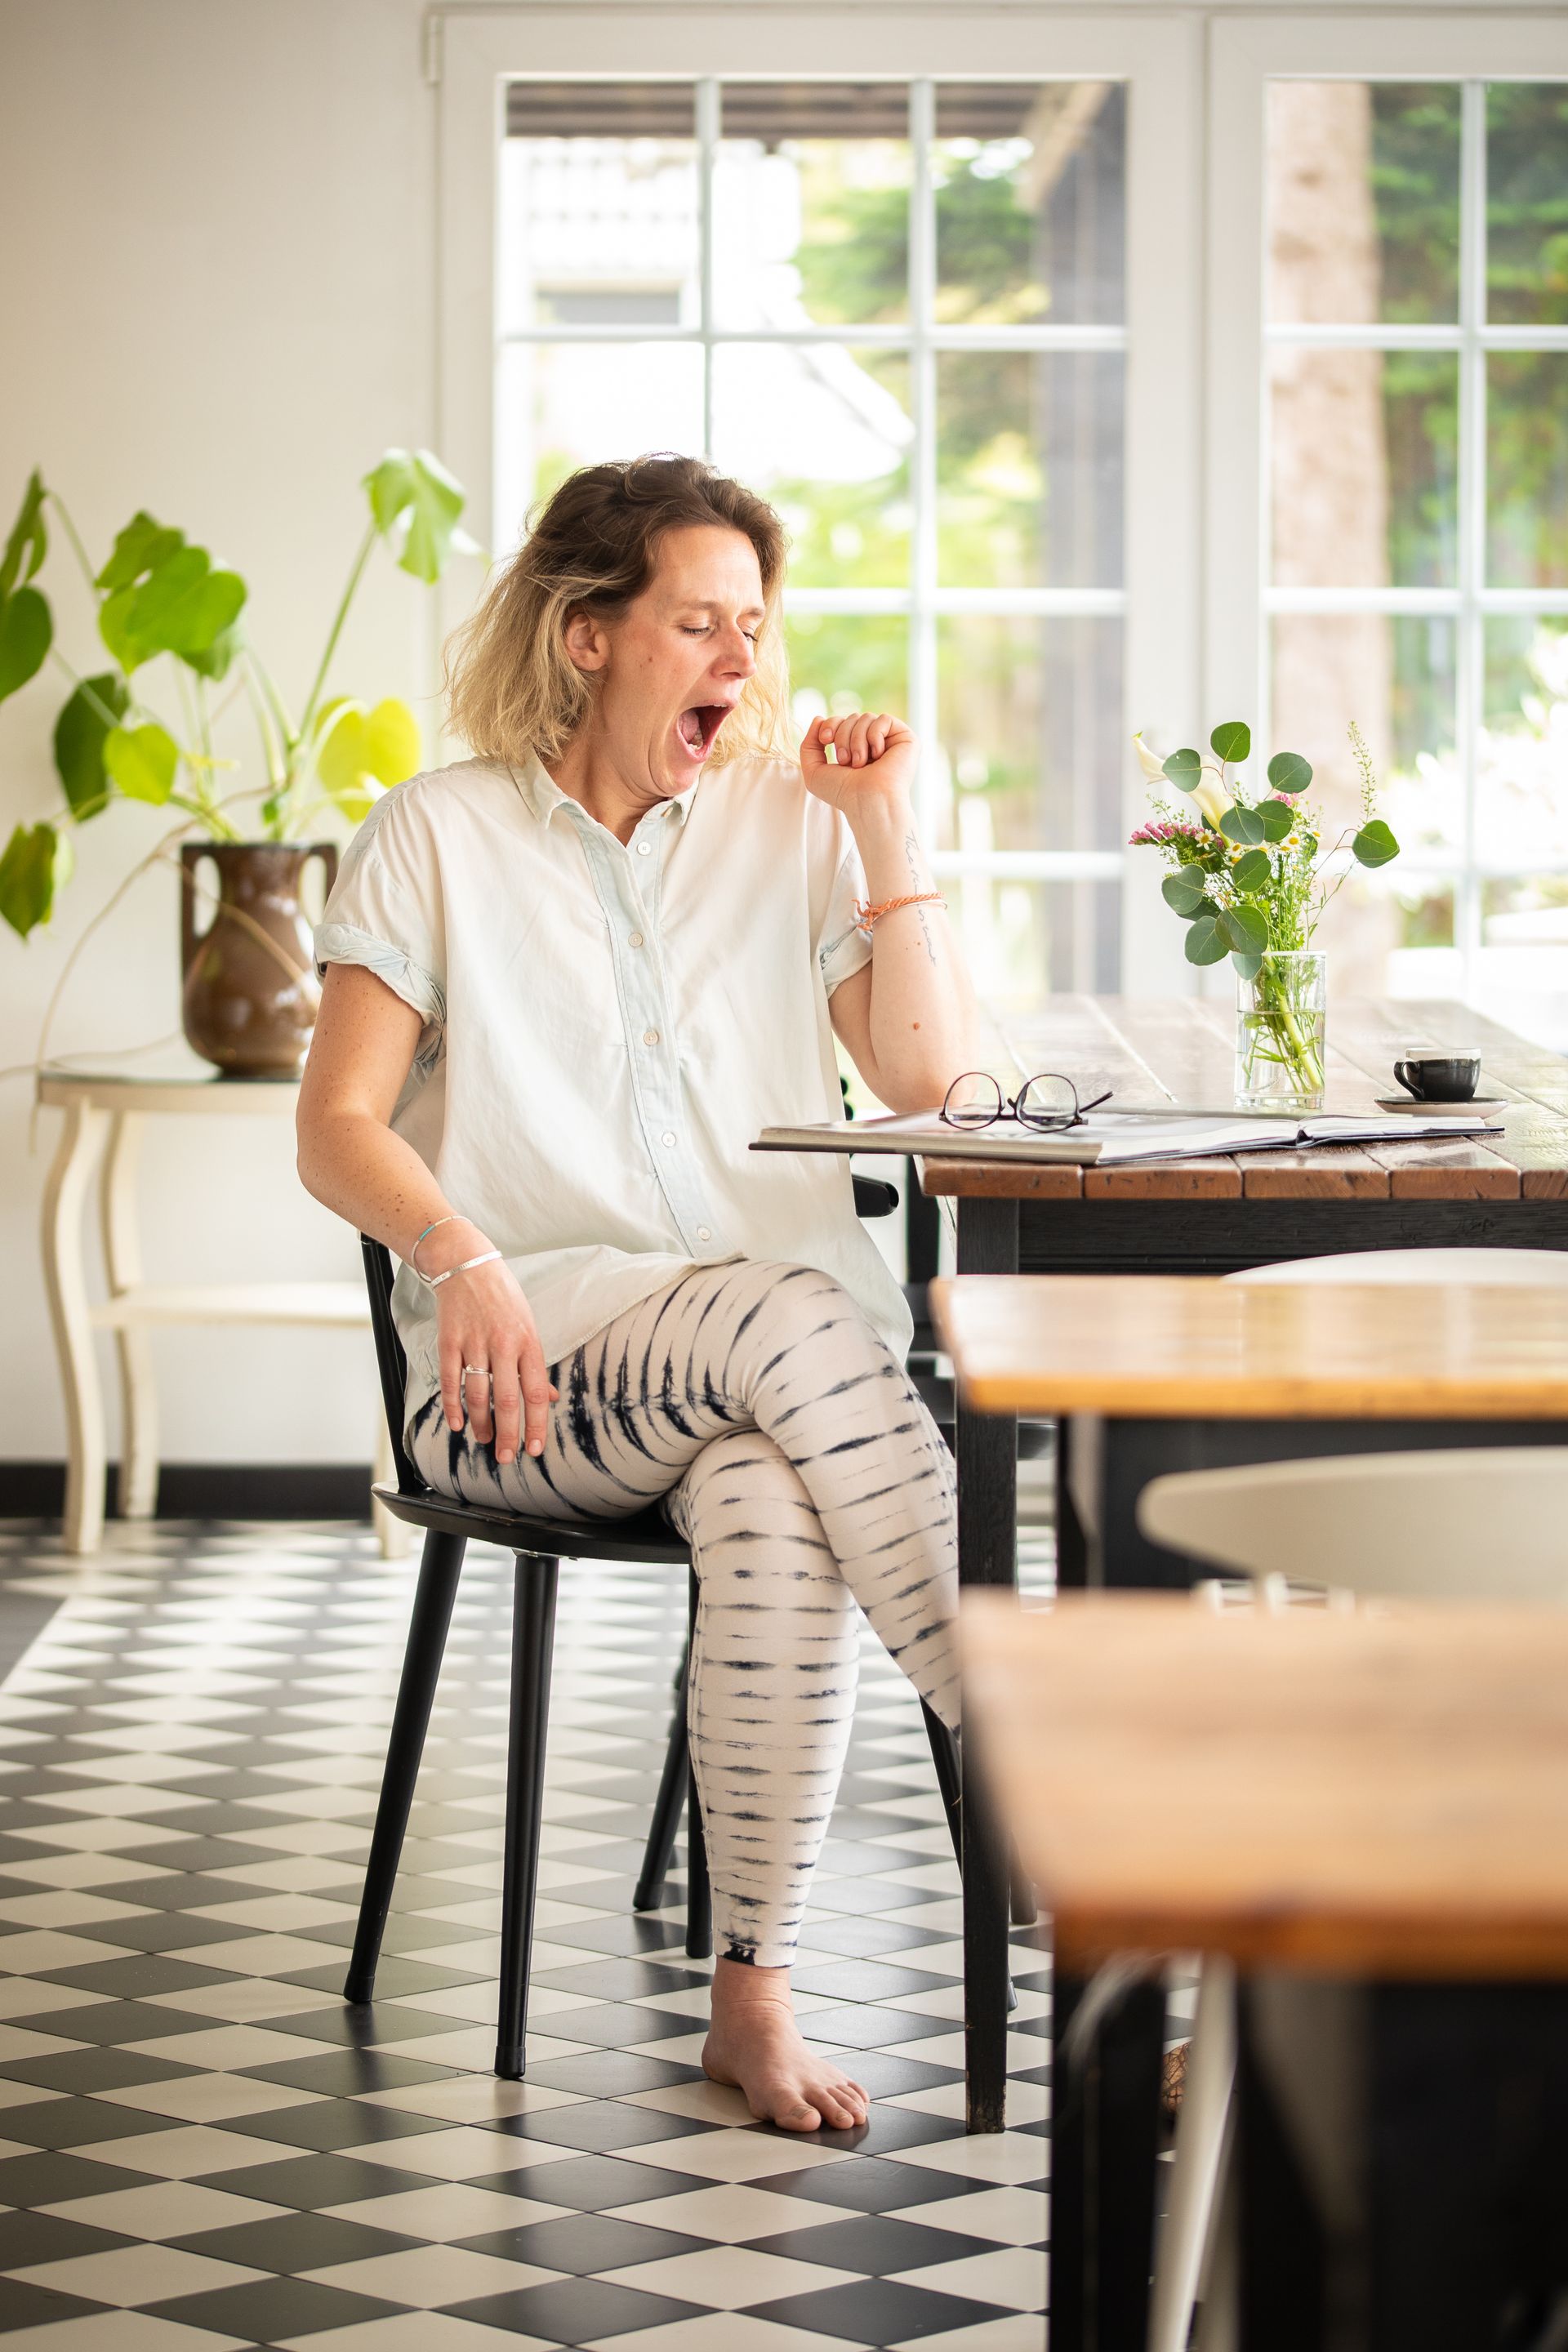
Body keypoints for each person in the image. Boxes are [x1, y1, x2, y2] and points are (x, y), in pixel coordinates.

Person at [296, 452, 977, 2132]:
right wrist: (456, 1256)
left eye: (755, 624)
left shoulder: (788, 828)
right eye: (698, 622)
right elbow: (335, 1128)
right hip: (530, 1386)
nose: (740, 659)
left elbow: (924, 1082)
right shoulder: (436, 835)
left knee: (766, 1491)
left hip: (770, 1397)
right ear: (591, 633)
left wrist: (883, 829)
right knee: (801, 1318)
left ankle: (754, 1999)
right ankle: (1062, 1759)